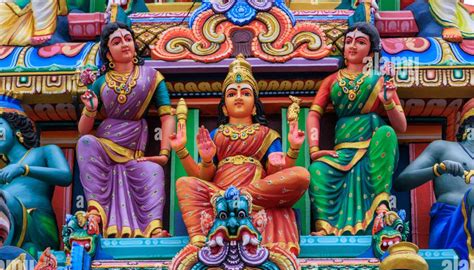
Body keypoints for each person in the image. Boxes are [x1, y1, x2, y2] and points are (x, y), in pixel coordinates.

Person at [172, 55, 309, 256]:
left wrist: (293, 149)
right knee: (184, 183)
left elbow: (278, 171)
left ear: (254, 106)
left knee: (301, 175)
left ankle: (239, 199)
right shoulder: (216, 134)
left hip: (254, 192)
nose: (238, 97)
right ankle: (199, 238)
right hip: (218, 192)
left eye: (245, 93)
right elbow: (202, 177)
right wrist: (185, 151)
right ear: (224, 107)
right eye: (232, 93)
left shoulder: (266, 134)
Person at [307, 23, 406, 236]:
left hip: (373, 146)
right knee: (316, 171)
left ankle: (381, 206)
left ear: (371, 50)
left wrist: (387, 102)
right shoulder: (332, 80)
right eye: (348, 41)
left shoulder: (379, 79)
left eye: (360, 42)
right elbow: (314, 114)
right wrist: (314, 149)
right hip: (342, 150)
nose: (352, 46)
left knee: (387, 133)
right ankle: (324, 226)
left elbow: (401, 126)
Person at [77, 22, 175, 238]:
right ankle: (95, 213)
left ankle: (154, 228)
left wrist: (164, 154)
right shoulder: (101, 83)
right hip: (105, 145)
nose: (124, 44)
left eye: (128, 39)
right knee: (85, 143)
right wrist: (91, 110)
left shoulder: (151, 77)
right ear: (108, 53)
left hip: (133, 154)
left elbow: (167, 116)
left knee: (153, 171)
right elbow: (83, 131)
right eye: (116, 41)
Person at [394, 99, 474, 270]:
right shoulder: (444, 148)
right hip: (451, 224)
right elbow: (401, 182)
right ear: (467, 125)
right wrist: (438, 169)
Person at [0, 95, 72, 256]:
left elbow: (65, 176)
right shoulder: (3, 173)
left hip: (37, 226)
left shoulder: (45, 152)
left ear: (16, 130)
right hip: (7, 229)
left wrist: (24, 169)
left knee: (4, 197)